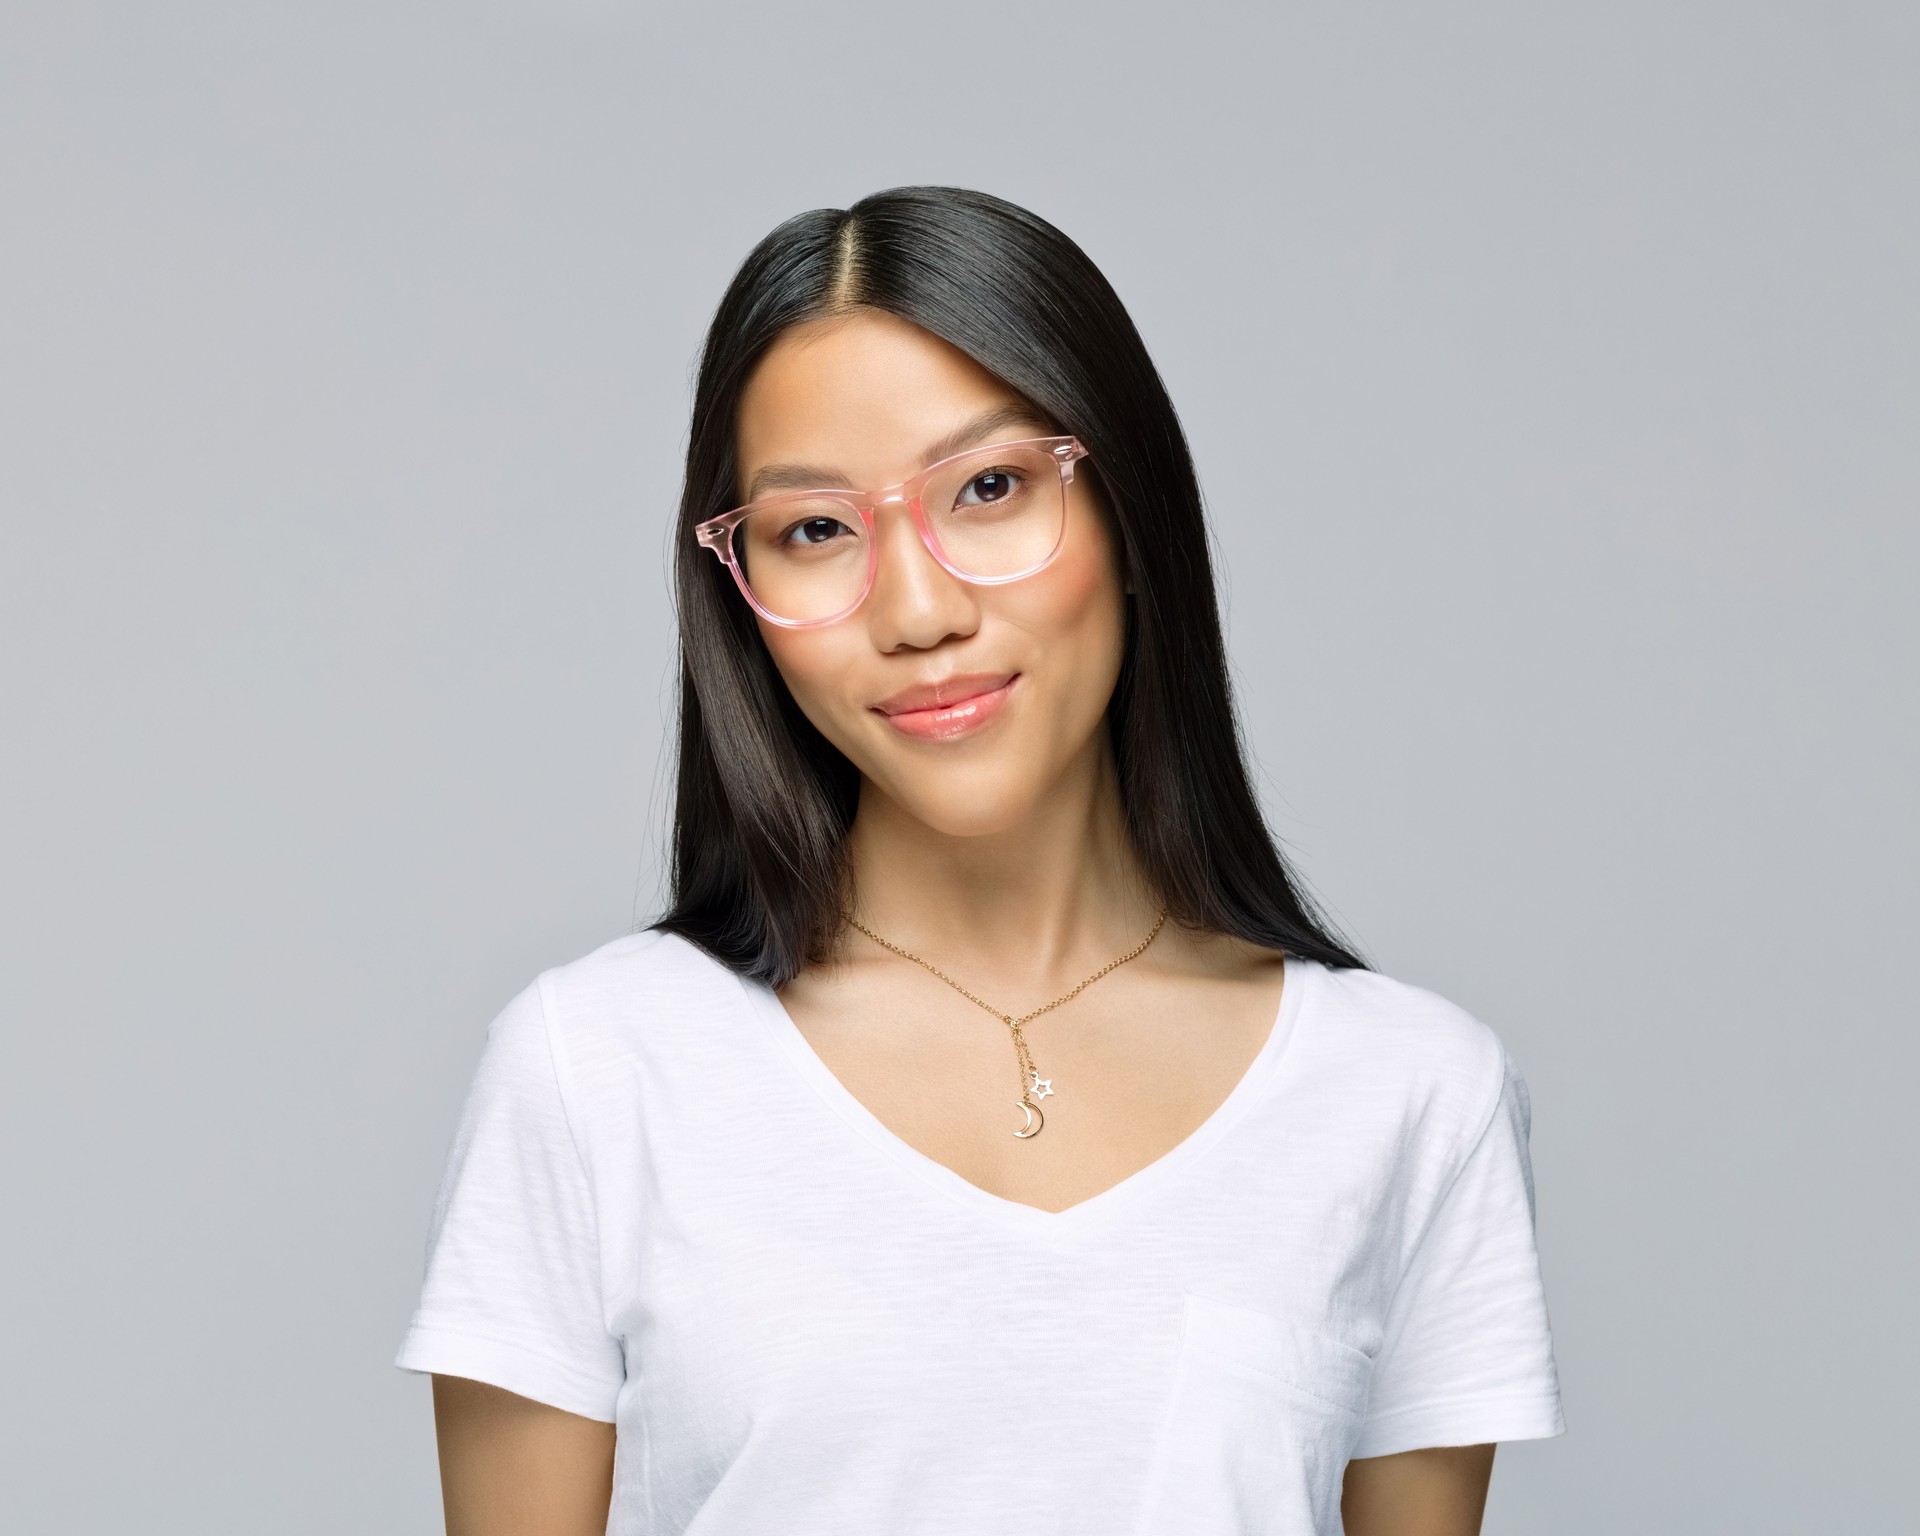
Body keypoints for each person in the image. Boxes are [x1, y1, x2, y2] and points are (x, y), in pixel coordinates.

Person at [395, 186, 1563, 1536]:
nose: (918, 610)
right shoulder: (596, 1070)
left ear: (1132, 511)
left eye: (992, 488)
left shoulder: (1410, 1095)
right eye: (815, 529)